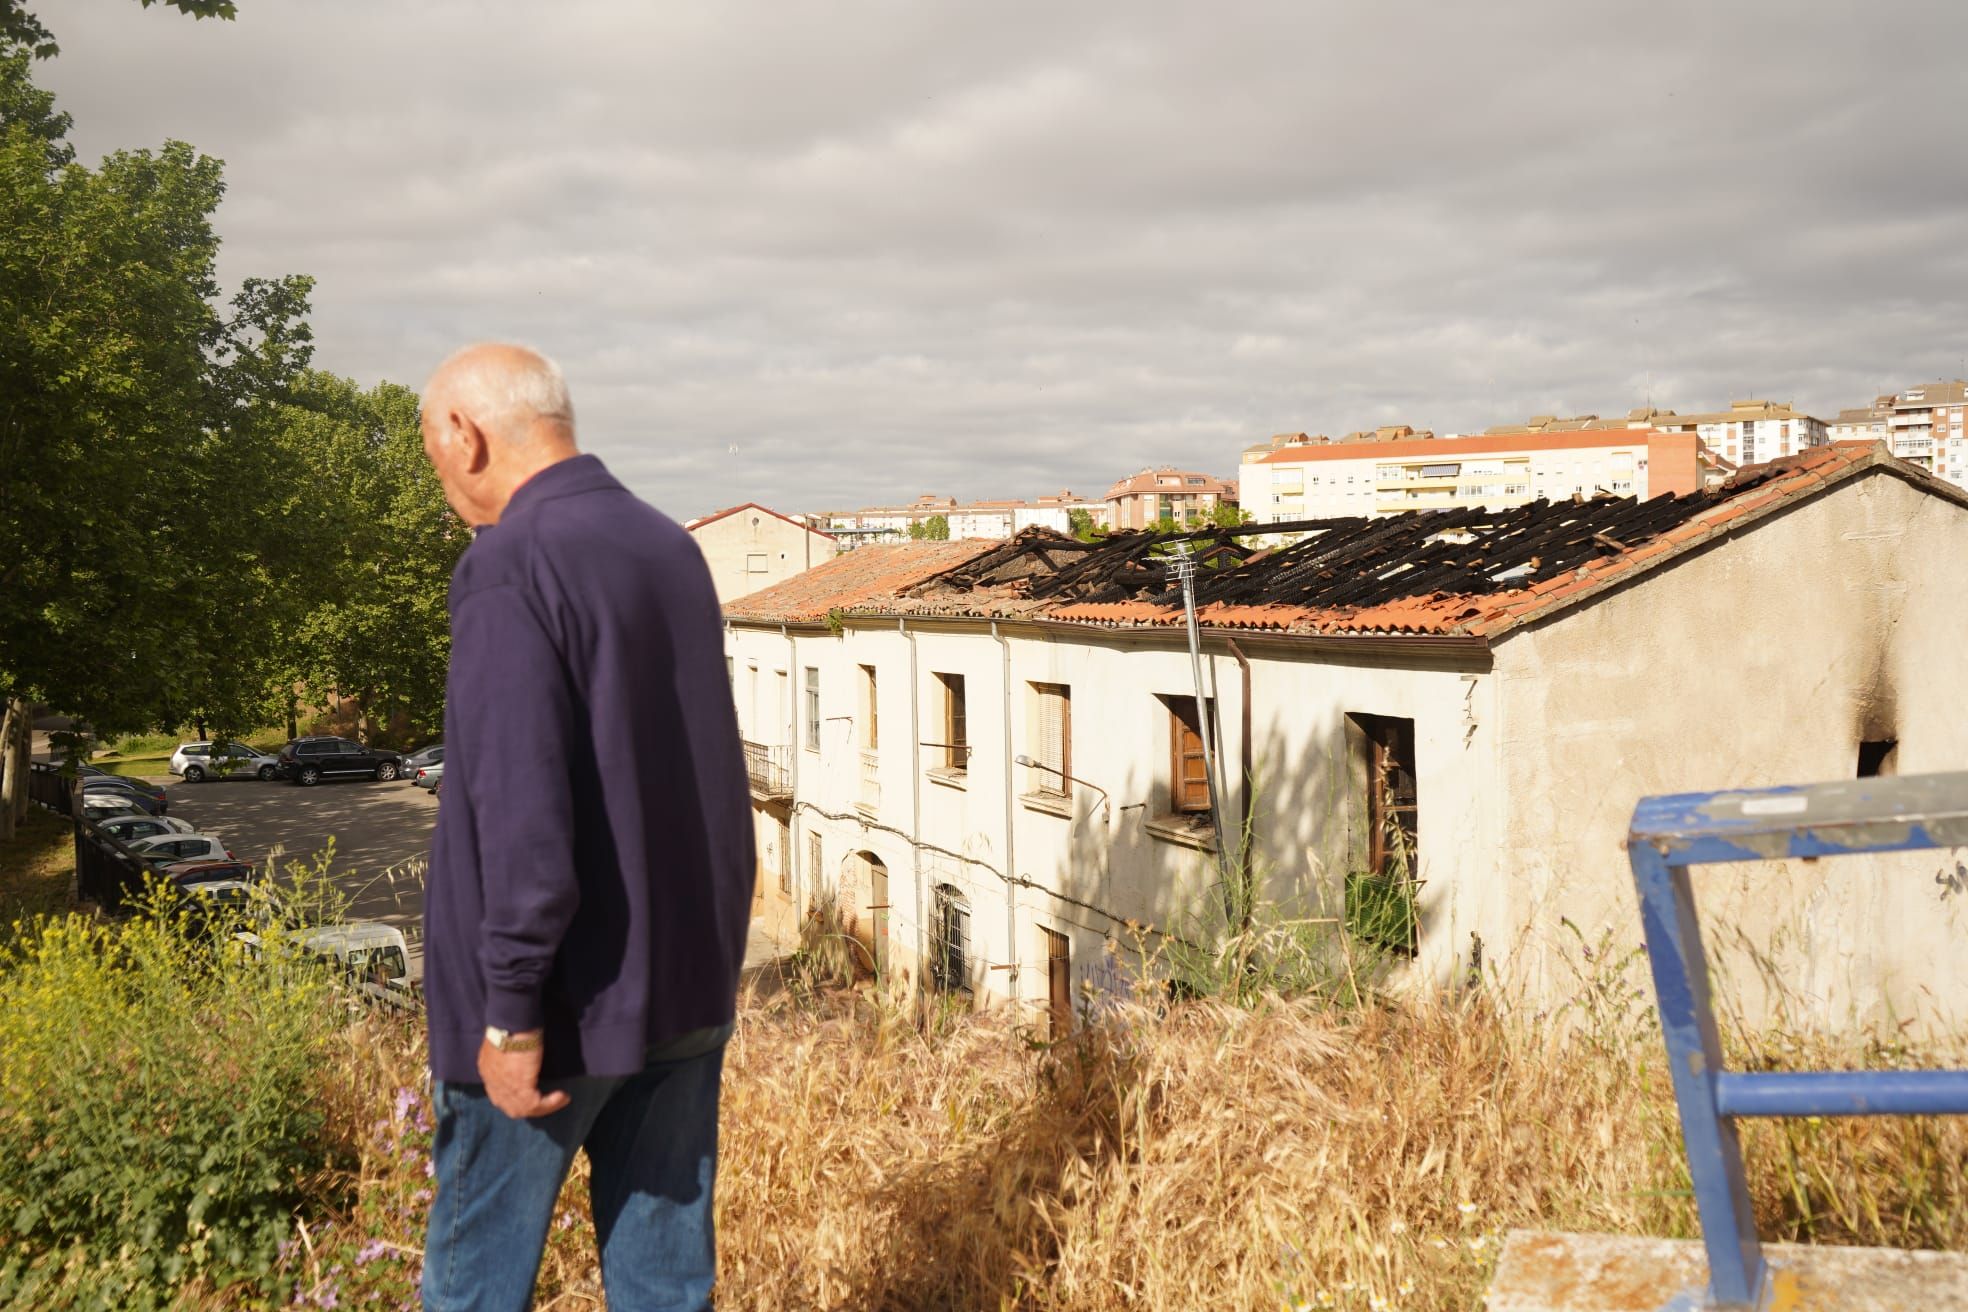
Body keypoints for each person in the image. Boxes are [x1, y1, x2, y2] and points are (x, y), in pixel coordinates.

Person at [416, 343, 754, 1312]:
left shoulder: (508, 565)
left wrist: (511, 1006)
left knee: (476, 1289)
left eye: (432, 449)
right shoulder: (667, 547)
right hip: (684, 993)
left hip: (553, 1019)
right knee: (664, 1286)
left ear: (463, 434)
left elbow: (521, 808)